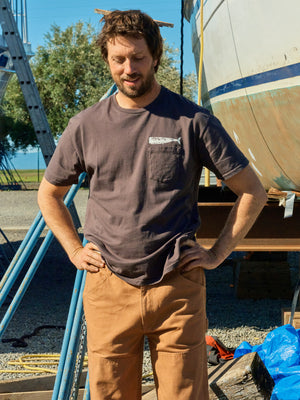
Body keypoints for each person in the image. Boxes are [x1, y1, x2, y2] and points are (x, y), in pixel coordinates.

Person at [37, 9, 267, 400]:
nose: (129, 68)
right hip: (108, 286)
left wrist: (217, 253)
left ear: (156, 56)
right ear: (108, 59)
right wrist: (75, 250)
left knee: (184, 394)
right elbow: (49, 194)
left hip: (176, 288)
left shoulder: (192, 121)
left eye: (138, 57)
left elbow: (253, 191)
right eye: (118, 59)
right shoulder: (85, 126)